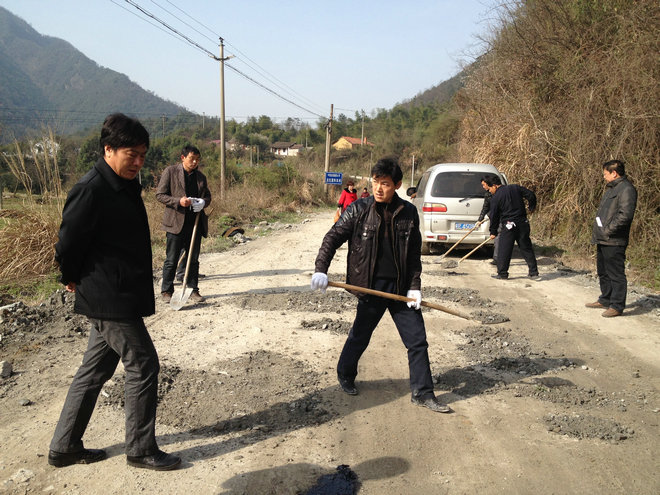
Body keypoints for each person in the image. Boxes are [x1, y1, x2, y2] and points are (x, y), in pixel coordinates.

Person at [48, 113, 181, 471]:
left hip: (120, 289)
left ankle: (64, 446)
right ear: (108, 149)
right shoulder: (91, 189)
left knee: (94, 370)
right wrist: (70, 276)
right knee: (143, 363)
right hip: (108, 295)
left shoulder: (122, 184)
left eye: (142, 155)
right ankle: (140, 449)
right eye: (130, 155)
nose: (138, 163)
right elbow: (68, 243)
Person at [311, 157, 451, 413]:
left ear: (397, 185)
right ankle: (345, 373)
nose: (378, 188)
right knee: (360, 336)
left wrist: (415, 286)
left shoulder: (408, 212)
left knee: (417, 341)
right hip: (370, 288)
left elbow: (412, 256)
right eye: (375, 182)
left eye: (385, 183)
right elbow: (332, 238)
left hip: (400, 289)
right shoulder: (358, 209)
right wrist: (321, 269)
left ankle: (423, 392)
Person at [157, 145, 211, 303]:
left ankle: (193, 290)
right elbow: (160, 195)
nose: (194, 162)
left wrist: (203, 202)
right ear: (183, 158)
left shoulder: (201, 177)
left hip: (194, 224)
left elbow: (207, 196)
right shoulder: (171, 172)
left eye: (197, 159)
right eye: (191, 159)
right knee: (171, 259)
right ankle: (167, 291)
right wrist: (178, 201)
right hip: (175, 223)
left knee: (193, 259)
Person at [586, 160, 637, 317]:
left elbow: (625, 215)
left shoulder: (626, 189)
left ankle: (617, 305)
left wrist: (608, 230)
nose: (604, 176)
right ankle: (605, 299)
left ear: (614, 173)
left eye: (605, 173)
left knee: (616, 273)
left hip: (614, 239)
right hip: (603, 238)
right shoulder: (612, 189)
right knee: (603, 271)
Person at [485, 175, 539, 280]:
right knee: (526, 247)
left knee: (504, 249)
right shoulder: (515, 188)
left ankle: (502, 273)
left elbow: (494, 216)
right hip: (523, 223)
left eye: (490, 188)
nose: (490, 191)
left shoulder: (496, 197)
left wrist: (493, 231)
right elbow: (531, 195)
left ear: (495, 186)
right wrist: (531, 207)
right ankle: (533, 272)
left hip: (509, 226)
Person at [478, 175, 500, 265]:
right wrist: (480, 219)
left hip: (501, 218)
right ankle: (497, 258)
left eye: (484, 185)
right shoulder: (488, 194)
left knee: (498, 238)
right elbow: (485, 207)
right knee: (497, 238)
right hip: (494, 218)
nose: (483, 187)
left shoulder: (499, 193)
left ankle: (497, 258)